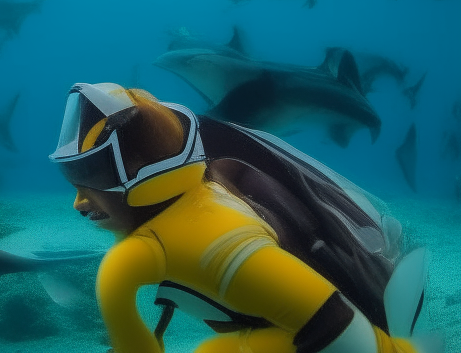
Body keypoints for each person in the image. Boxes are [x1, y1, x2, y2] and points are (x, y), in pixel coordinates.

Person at [49, 82, 431, 353]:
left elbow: (332, 321)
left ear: (145, 177)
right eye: (73, 178)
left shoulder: (214, 244)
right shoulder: (198, 193)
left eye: (94, 177)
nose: (78, 202)